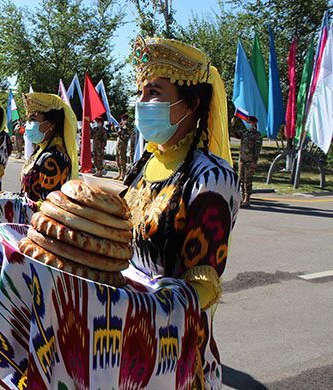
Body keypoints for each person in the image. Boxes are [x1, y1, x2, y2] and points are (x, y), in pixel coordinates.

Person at [125, 36, 240, 388]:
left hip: (173, 356)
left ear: (191, 102)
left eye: (155, 92)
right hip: (123, 338)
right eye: (141, 92)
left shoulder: (211, 177)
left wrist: (136, 303)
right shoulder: (145, 163)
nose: (142, 103)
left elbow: (202, 287)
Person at [20, 93, 78, 201]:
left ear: (51, 124)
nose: (28, 125)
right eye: (28, 120)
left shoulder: (55, 157)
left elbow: (50, 205)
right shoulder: (41, 149)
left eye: (32, 119)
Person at [231, 116, 262, 207]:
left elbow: (257, 149)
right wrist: (233, 124)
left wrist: (254, 161)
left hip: (250, 161)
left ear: (254, 123)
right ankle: (242, 197)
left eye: (249, 122)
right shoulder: (245, 134)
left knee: (248, 180)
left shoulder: (257, 135)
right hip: (242, 160)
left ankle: (247, 198)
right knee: (241, 179)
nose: (247, 124)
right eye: (247, 122)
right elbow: (234, 134)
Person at [114, 113, 132, 181]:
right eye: (122, 119)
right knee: (118, 159)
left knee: (122, 160)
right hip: (118, 144)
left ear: (127, 120)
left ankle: (123, 174)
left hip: (123, 145)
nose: (123, 120)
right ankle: (119, 173)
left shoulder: (128, 126)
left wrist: (125, 126)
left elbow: (129, 134)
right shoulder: (121, 126)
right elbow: (118, 134)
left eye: (124, 119)